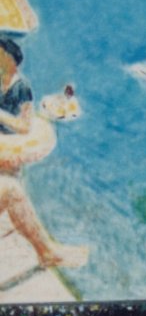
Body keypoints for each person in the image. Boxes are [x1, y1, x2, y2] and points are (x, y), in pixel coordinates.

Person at [0, 36, 87, 269]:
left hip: (12, 136)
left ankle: (42, 247)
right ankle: (47, 253)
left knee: (10, 177)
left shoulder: (20, 86)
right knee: (12, 190)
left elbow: (24, 124)